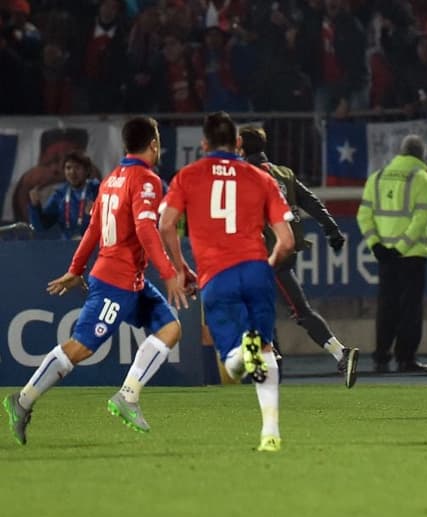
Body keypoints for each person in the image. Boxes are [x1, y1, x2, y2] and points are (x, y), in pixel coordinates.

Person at [3, 116, 187, 445]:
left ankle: (127, 396)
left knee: (171, 328)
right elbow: (147, 229)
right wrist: (170, 273)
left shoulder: (112, 178)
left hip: (132, 280)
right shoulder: (146, 180)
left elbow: (94, 229)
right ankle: (23, 400)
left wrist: (76, 268)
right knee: (81, 348)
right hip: (116, 281)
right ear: (154, 144)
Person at [159, 111, 295, 453]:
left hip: (217, 276)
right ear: (237, 143)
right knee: (266, 351)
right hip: (255, 269)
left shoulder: (187, 177)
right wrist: (268, 265)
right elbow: (287, 241)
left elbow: (165, 225)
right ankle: (270, 432)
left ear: (203, 144)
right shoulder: (260, 178)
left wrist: (180, 267)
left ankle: (241, 354)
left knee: (232, 365)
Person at [238, 125, 359, 388]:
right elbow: (311, 201)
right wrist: (331, 227)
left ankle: (339, 354)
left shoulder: (248, 177)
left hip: (269, 255)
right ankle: (271, 362)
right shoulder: (284, 174)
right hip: (284, 251)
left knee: (295, 309)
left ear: (241, 147)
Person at [356, 134, 427, 373]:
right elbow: (421, 219)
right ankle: (405, 358)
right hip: (411, 254)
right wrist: (401, 248)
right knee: (410, 308)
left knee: (386, 305)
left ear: (401, 152)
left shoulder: (377, 178)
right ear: (420, 155)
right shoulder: (422, 179)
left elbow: (363, 215)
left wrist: (376, 245)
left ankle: (381, 357)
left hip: (384, 256)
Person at [28, 150, 100, 239]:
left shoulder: (98, 191)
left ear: (87, 170)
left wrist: (96, 214)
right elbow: (41, 227)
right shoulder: (60, 195)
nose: (72, 172)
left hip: (93, 246)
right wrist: (35, 206)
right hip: (67, 247)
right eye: (68, 168)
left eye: (77, 167)